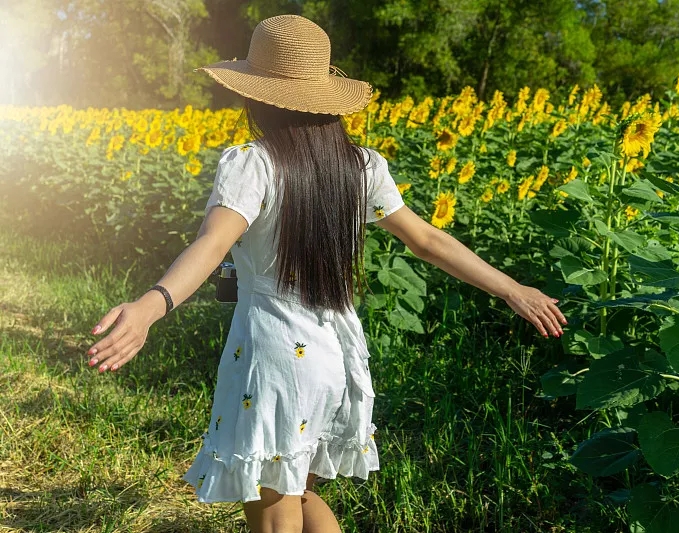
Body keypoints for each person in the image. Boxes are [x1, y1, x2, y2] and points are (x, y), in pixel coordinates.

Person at [84, 14, 567, 533]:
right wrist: (512, 288)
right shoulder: (360, 167)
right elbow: (428, 240)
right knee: (301, 494)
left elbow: (211, 245)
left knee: (273, 513)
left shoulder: (254, 163)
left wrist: (151, 304)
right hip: (334, 357)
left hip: (272, 359)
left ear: (256, 95)